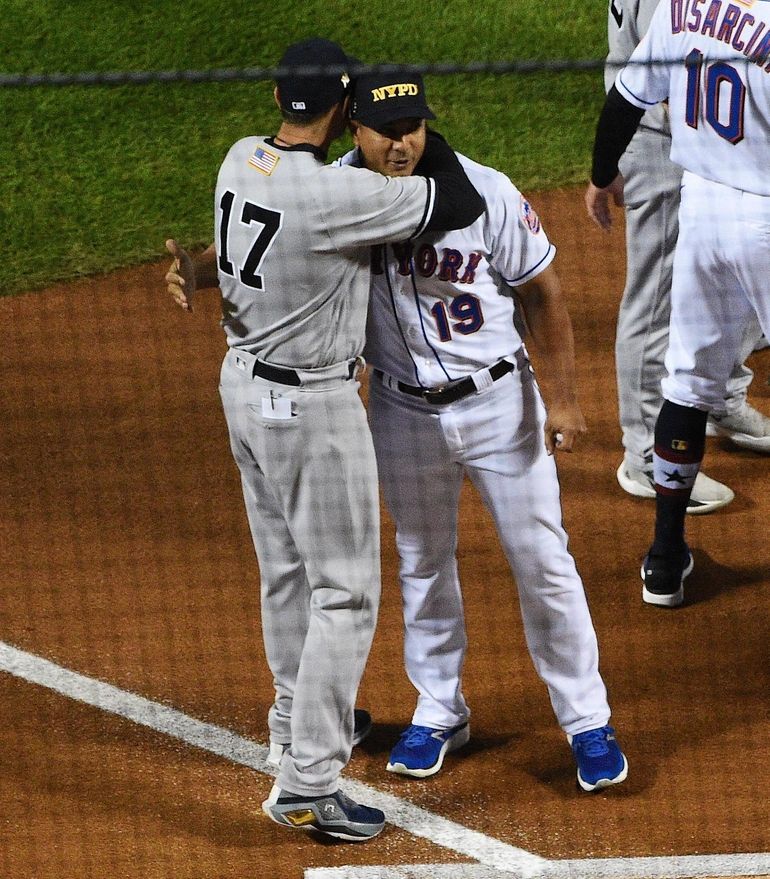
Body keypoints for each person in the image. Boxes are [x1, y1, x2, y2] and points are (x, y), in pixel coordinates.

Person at [165, 38, 484, 841]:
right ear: (343, 111)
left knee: (286, 575)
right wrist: (415, 132)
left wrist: (197, 272)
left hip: (242, 388)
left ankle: (291, 726)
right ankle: (308, 783)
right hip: (312, 409)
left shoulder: (240, 159)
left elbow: (237, 260)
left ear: (278, 98)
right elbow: (454, 201)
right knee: (346, 591)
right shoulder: (339, 198)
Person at [337, 73, 628, 791]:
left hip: (500, 403)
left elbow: (543, 292)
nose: (402, 141)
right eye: (386, 129)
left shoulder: (484, 190)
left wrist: (562, 400)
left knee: (543, 562)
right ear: (354, 131)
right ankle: (440, 708)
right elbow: (273, 237)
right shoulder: (334, 193)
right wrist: (205, 270)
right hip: (401, 412)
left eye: (413, 126)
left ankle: (587, 720)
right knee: (421, 559)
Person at [586, 0, 770, 607]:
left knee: (686, 384)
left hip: (701, 212)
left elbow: (625, 100)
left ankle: (664, 558)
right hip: (765, 215)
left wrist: (599, 172)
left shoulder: (682, 5)